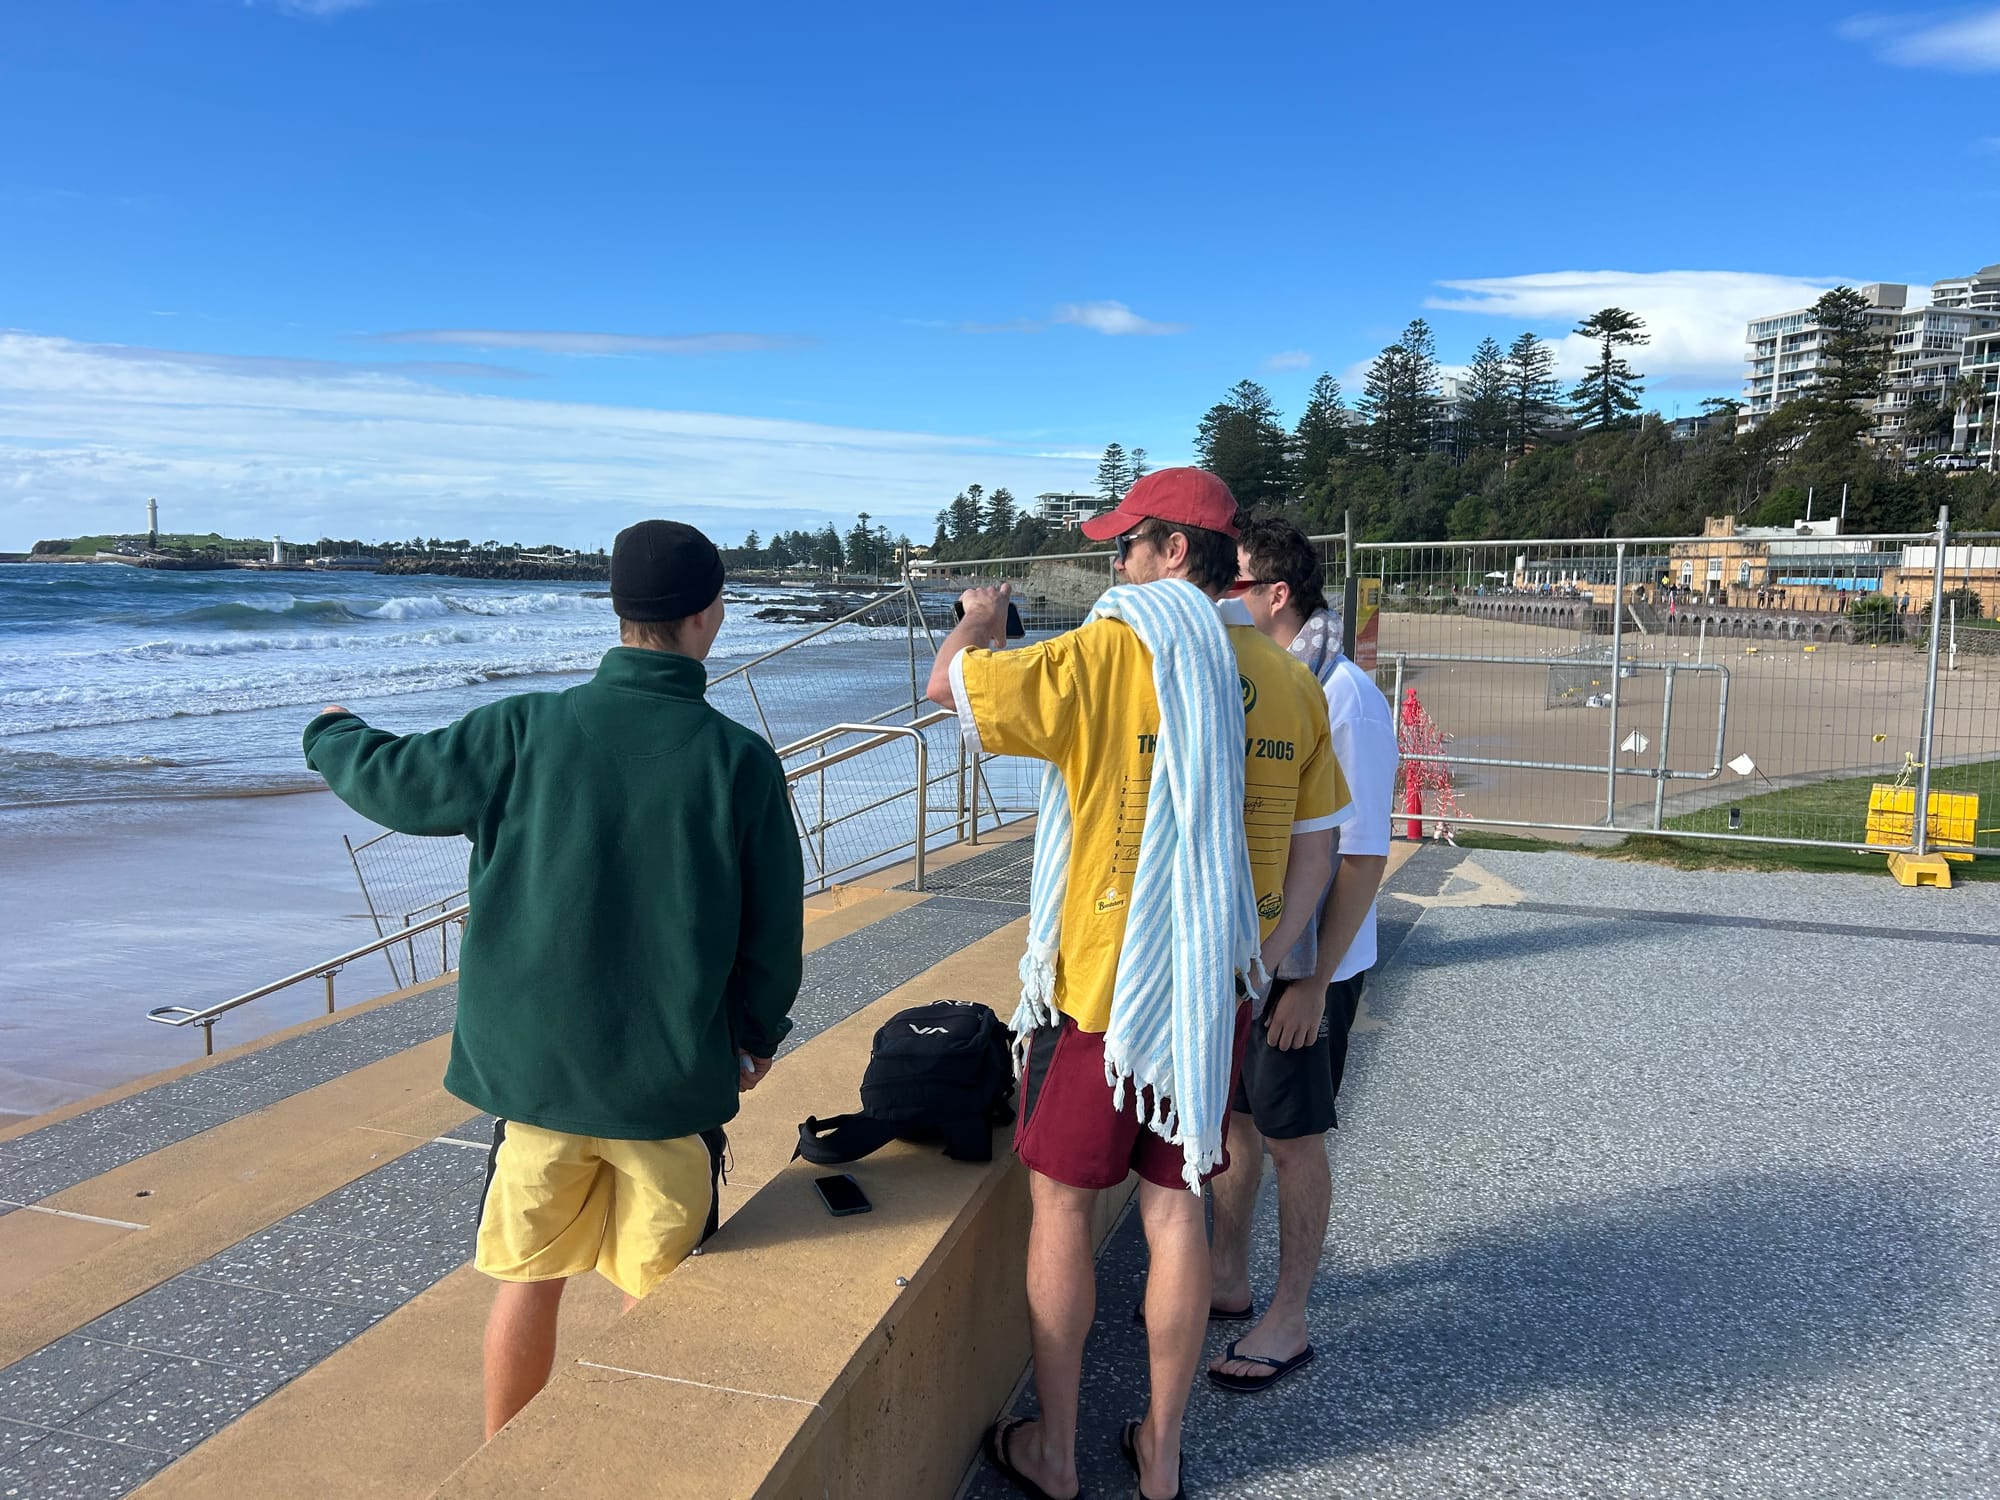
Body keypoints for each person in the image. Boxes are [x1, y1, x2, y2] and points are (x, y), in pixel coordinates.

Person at [302, 520, 803, 1439]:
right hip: (667, 1093)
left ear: (618, 612)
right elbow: (775, 932)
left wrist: (334, 733)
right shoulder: (738, 761)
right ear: (710, 616)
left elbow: (398, 785)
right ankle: (626, 1469)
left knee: (526, 1290)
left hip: (534, 1089)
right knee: (656, 1307)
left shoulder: (522, 729)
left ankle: (506, 1471)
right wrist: (755, 1036)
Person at [927, 468, 1349, 1500]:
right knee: (1172, 1216)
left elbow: (948, 692)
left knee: (1063, 1214)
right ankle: (1160, 1454)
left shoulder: (1110, 652)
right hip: (1210, 992)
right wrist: (1265, 949)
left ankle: (1058, 1453)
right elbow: (1318, 843)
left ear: (1171, 553)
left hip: (1101, 997)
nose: (1111, 566)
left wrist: (976, 623)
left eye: (1123, 547)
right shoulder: (1289, 677)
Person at [1206, 517, 1399, 1395]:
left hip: (1307, 970)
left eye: (1234, 584)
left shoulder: (1344, 695)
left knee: (1292, 1138)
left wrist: (1313, 984)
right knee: (1242, 1120)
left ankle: (1289, 1315)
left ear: (1275, 595)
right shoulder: (1273, 684)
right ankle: (1227, 1274)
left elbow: (1360, 856)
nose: (1220, 598)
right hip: (1257, 957)